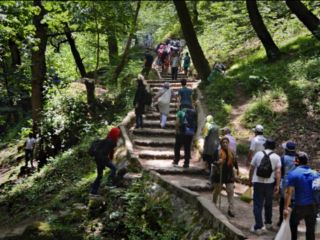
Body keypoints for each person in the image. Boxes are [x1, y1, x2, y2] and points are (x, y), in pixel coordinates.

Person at [249, 138, 281, 235]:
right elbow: (278, 172)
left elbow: (252, 167)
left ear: (265, 145)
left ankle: (258, 227)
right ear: (274, 147)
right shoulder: (277, 157)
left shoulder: (258, 154)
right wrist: (277, 185)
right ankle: (268, 223)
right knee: (268, 203)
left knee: (258, 205)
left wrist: (250, 179)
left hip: (258, 182)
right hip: (269, 183)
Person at [284, 152, 317, 240]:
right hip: (313, 206)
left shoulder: (293, 174)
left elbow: (289, 193)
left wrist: (286, 208)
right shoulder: (315, 173)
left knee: (293, 225)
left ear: (297, 161)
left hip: (299, 206)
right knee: (310, 230)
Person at [212, 137, 239, 217]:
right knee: (217, 190)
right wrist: (218, 162)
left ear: (228, 143)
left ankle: (231, 209)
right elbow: (212, 162)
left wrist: (237, 170)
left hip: (229, 174)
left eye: (226, 142)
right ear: (221, 143)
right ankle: (213, 205)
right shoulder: (217, 152)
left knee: (230, 191)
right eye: (223, 142)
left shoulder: (232, 152)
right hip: (219, 174)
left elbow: (235, 163)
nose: (225, 144)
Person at [90, 127, 121, 195]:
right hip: (102, 159)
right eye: (118, 134)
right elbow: (108, 152)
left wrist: (109, 159)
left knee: (99, 176)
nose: (118, 136)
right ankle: (109, 183)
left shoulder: (106, 140)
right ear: (115, 134)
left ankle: (93, 191)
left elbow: (109, 152)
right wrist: (108, 160)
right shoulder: (112, 142)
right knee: (114, 169)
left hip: (97, 159)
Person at [277, 141, 297, 227]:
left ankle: (281, 220)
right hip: (295, 183)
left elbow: (280, 171)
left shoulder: (283, 158)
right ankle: (291, 222)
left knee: (283, 202)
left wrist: (278, 184)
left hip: (285, 182)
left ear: (286, 149)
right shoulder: (297, 158)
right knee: (293, 202)